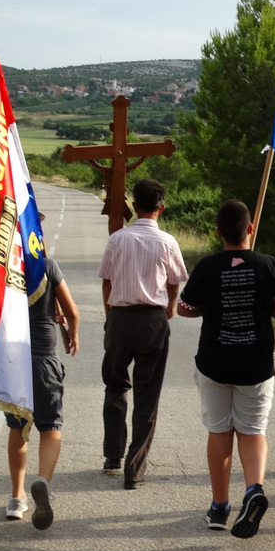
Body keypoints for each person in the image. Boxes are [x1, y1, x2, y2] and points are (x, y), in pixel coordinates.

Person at [178, 200, 275, 538]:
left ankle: (219, 507)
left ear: (218, 233)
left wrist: (214, 304)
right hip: (256, 363)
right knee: (252, 430)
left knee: (219, 431)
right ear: (250, 229)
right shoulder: (268, 265)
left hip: (214, 361)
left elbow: (184, 309)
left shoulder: (207, 267)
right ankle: (253, 489)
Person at [97, 178, 188, 489]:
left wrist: (112, 318)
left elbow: (107, 282)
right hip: (153, 319)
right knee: (147, 395)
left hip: (120, 317)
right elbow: (175, 282)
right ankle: (134, 470)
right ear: (161, 208)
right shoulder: (168, 242)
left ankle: (112, 455)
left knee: (115, 385)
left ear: (135, 207)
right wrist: (170, 308)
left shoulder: (117, 239)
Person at [5, 255, 80, 530]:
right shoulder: (47, 266)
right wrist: (73, 333)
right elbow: (72, 312)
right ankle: (43, 482)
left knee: (18, 428)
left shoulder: (2, 265)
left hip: (14, 359)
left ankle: (16, 498)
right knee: (50, 428)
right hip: (45, 358)